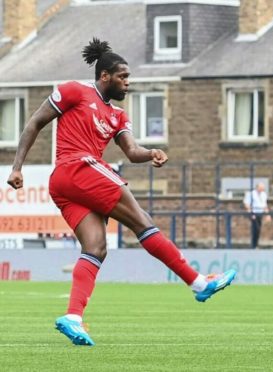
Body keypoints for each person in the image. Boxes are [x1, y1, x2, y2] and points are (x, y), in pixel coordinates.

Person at [6, 38, 237, 346]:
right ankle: (197, 282)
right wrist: (16, 166)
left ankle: (73, 317)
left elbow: (131, 151)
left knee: (97, 247)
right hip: (77, 168)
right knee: (141, 220)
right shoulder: (75, 91)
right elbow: (35, 122)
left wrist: (151, 152)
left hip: (69, 184)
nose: (128, 83)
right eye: (123, 77)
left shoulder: (117, 116)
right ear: (105, 76)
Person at [243, 182, 271, 248]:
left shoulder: (263, 195)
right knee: (255, 228)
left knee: (258, 229)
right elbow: (247, 204)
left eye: (263, 188)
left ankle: (255, 244)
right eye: (261, 188)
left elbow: (264, 205)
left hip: (260, 213)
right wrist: (251, 213)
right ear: (257, 188)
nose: (262, 189)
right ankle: (253, 244)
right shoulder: (251, 194)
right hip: (253, 213)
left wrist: (268, 215)